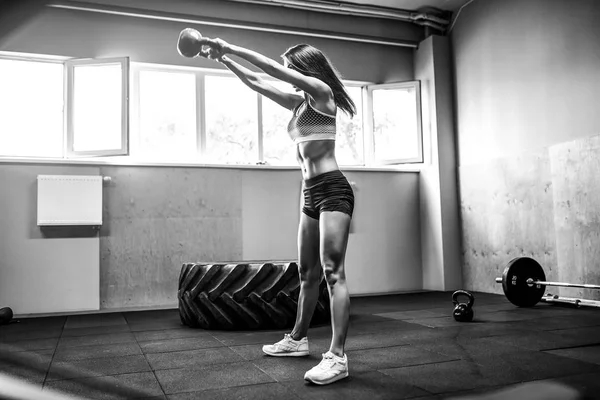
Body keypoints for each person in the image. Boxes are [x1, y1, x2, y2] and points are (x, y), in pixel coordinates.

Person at [199, 37, 356, 386]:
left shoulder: (320, 92)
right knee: (307, 272)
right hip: (309, 193)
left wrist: (231, 45)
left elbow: (269, 69)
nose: (285, 71)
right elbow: (257, 81)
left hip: (333, 189)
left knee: (333, 273)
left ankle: (338, 357)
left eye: (290, 65)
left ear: (305, 66)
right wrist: (224, 59)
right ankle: (298, 339)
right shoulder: (300, 104)